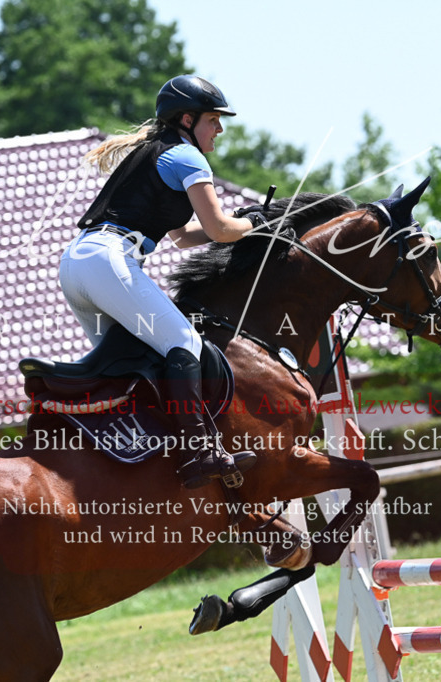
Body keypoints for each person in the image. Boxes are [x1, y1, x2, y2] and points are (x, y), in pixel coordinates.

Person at [60, 75, 265, 489]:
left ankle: (132, 458)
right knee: (184, 342)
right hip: (107, 260)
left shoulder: (155, 151)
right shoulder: (187, 156)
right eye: (213, 120)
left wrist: (240, 223)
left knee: (126, 362)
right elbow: (220, 229)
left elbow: (185, 236)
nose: (219, 129)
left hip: (76, 264)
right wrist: (257, 222)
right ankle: (200, 452)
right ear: (187, 120)